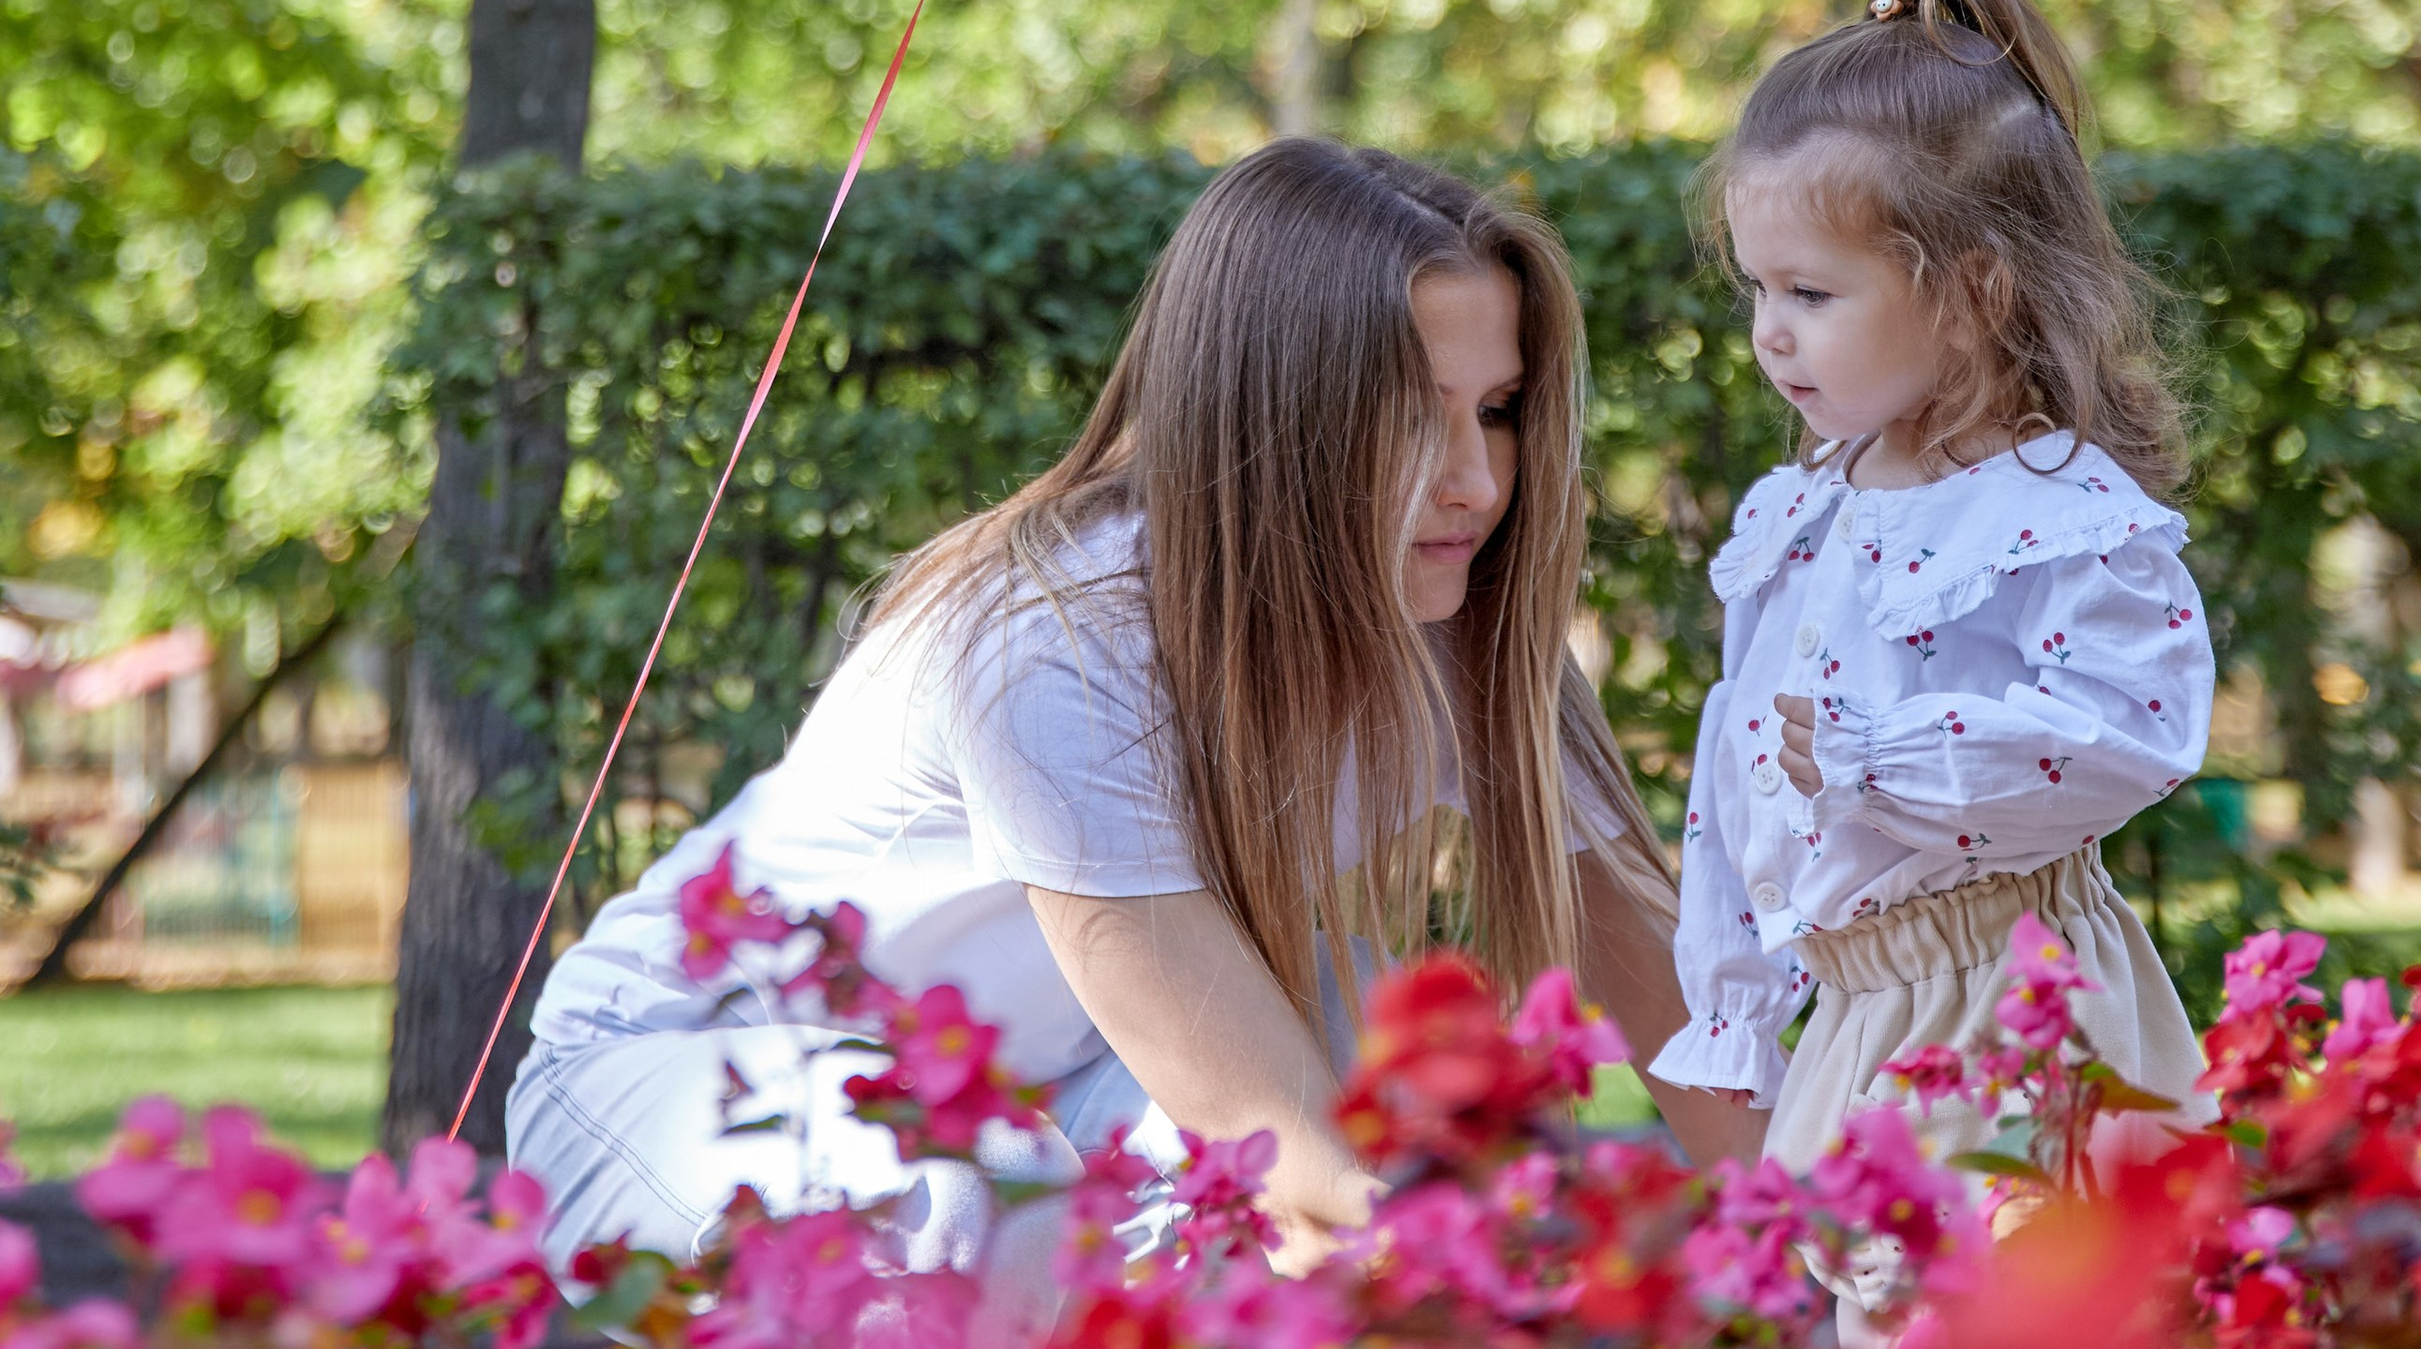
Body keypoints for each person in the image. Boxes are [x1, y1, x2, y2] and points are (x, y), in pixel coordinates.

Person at [510, 139, 1748, 1282]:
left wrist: (1860, 1290)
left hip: (1037, 1083)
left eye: (1496, 409)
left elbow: (1684, 1019)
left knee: (1401, 1084)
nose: (1476, 480)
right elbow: (1287, 1161)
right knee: (945, 1208)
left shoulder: (1465, 626)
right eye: (1411, 413)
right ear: (1276, 412)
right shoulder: (1062, 638)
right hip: (690, 1073)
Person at [1654, 0, 2212, 1170]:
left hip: (2006, 1003)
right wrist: (1738, 997)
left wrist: (1880, 755)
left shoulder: (2048, 513)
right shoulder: (1800, 512)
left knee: (2003, 1332)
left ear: (1971, 294)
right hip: (1861, 1017)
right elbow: (1738, 776)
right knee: (1879, 1330)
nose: (1768, 334)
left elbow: (2131, 730)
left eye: (1809, 292)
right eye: (1756, 290)